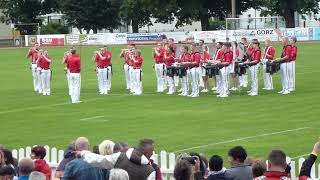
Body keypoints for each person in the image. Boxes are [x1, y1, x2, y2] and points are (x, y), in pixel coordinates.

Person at [79, 142, 156, 180]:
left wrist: (83, 153)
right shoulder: (150, 171)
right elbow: (99, 160)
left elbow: (99, 160)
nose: (152, 153)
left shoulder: (120, 156)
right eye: (151, 151)